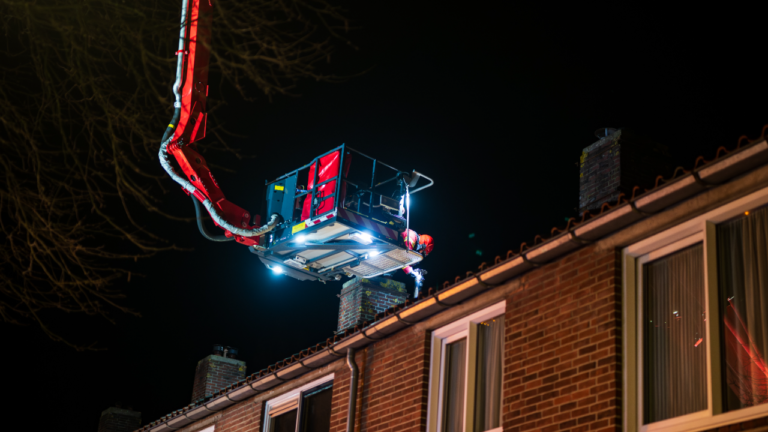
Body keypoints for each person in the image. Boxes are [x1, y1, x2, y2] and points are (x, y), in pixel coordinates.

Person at [400, 230, 434, 298]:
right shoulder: (411, 236)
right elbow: (405, 258)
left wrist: (412, 269)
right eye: (423, 252)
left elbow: (402, 258)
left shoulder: (413, 241)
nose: (420, 253)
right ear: (423, 245)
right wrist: (411, 271)